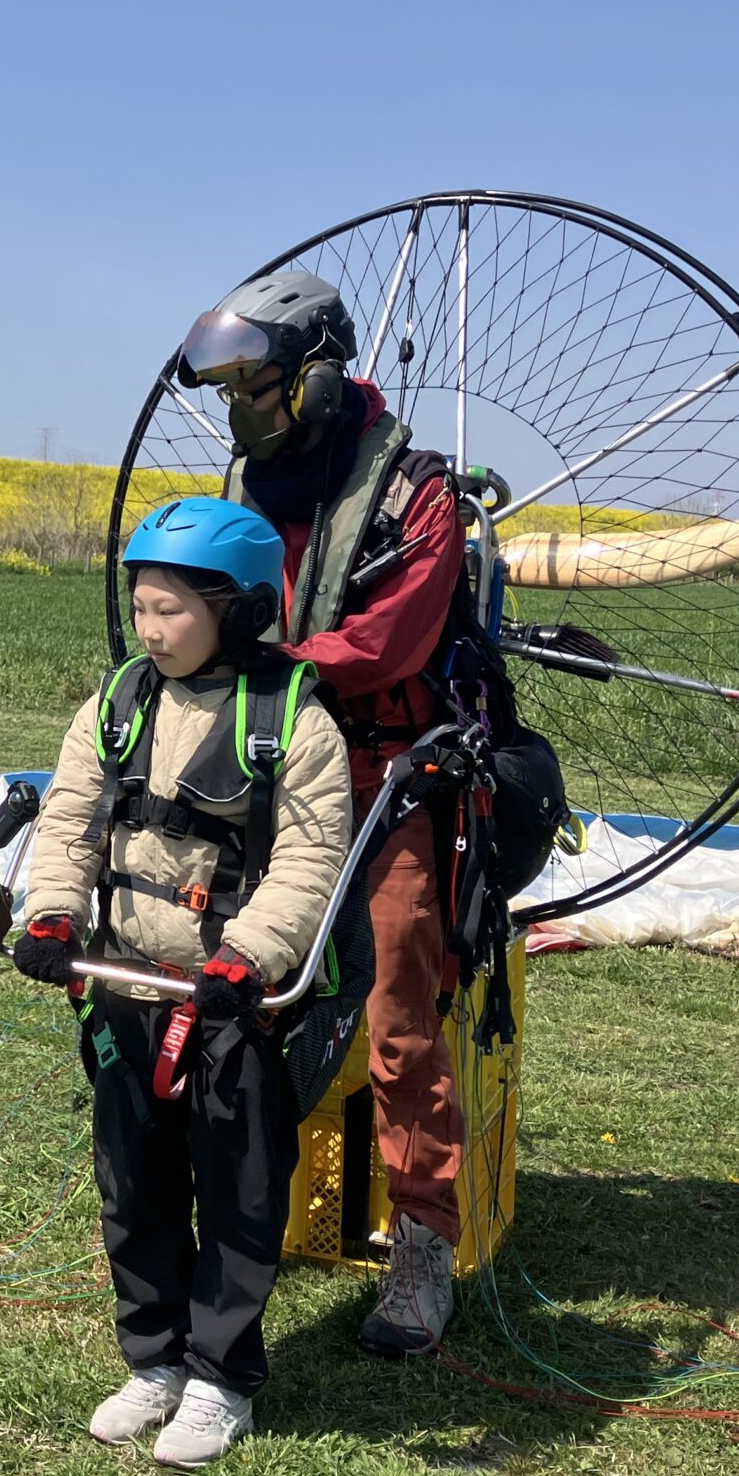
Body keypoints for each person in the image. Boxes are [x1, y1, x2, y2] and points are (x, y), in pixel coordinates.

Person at [11, 496, 353, 1468]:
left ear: (238, 611)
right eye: (141, 608)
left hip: (233, 1002)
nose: (151, 630)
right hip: (124, 984)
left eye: (172, 610)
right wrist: (53, 913)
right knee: (134, 1181)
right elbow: (72, 818)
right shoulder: (118, 704)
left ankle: (219, 1379)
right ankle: (154, 1359)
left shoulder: (292, 726)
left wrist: (248, 956)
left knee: (238, 1191)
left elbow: (309, 860)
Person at [182, 267, 469, 1358]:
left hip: (384, 773)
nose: (236, 406)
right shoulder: (240, 486)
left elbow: (389, 642)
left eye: (250, 384)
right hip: (261, 765)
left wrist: (271, 665)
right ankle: (217, 1209)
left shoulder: (416, 493)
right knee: (215, 972)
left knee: (396, 1007)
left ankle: (423, 1244)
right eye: (225, 388)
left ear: (313, 377)